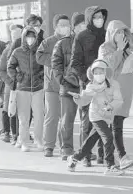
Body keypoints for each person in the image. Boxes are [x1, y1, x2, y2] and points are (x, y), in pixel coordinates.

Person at [66, 6, 108, 166]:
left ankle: (103, 154)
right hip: (89, 84)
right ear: (90, 18)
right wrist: (88, 77)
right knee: (88, 121)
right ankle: (85, 155)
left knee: (104, 119)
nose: (100, 20)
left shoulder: (106, 35)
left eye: (102, 17)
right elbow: (75, 63)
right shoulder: (82, 37)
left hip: (105, 84)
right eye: (96, 17)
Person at [66, 60, 124, 176]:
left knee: (91, 141)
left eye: (101, 71)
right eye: (96, 72)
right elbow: (84, 100)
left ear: (106, 72)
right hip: (96, 116)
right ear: (92, 74)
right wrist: (78, 98)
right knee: (108, 137)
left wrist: (110, 106)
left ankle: (74, 158)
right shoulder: (91, 86)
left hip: (107, 116)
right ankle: (110, 165)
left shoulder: (114, 84)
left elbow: (119, 100)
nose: (99, 75)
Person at [98, 20, 133, 170]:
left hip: (126, 92)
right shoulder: (104, 48)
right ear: (112, 33)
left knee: (107, 125)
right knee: (115, 125)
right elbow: (109, 67)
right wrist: (119, 50)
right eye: (118, 32)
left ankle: (100, 155)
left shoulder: (127, 49)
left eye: (123, 32)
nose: (121, 35)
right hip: (111, 93)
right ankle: (122, 156)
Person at [51, 12, 85, 159]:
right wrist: (62, 81)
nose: (82, 28)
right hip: (68, 86)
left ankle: (85, 150)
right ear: (74, 27)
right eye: (80, 25)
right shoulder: (63, 43)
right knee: (67, 119)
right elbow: (55, 64)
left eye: (85, 25)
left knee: (87, 121)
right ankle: (66, 149)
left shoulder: (91, 42)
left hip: (86, 86)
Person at [37, 14, 71, 158]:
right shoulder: (48, 42)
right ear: (55, 27)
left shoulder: (72, 41)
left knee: (65, 118)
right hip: (51, 86)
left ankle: (64, 146)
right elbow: (39, 57)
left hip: (67, 85)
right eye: (62, 25)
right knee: (51, 117)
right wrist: (55, 61)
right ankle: (48, 146)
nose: (65, 27)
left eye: (67, 25)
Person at [8, 14, 45, 141]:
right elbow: (10, 64)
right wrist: (18, 78)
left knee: (38, 114)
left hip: (37, 86)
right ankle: (20, 138)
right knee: (23, 116)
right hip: (22, 85)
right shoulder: (18, 44)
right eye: (34, 25)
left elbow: (43, 65)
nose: (37, 28)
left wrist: (40, 78)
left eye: (39, 26)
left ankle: (37, 139)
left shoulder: (41, 42)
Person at [0, 24, 23, 144]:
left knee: (23, 111)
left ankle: (21, 133)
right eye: (14, 35)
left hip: (24, 85)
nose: (16, 37)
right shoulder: (7, 51)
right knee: (9, 109)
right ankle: (9, 132)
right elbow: (1, 70)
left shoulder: (26, 50)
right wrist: (10, 81)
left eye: (18, 34)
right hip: (10, 85)